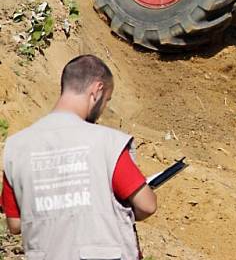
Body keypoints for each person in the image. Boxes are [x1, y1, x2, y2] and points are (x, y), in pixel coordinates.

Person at [1, 54, 156, 260]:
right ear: (97, 90)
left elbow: (15, 224)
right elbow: (147, 205)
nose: (103, 108)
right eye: (107, 100)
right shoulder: (107, 142)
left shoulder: (16, 147)